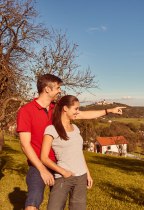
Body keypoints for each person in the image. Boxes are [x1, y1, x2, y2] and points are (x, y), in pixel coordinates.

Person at [16, 74, 125, 210]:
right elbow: (25, 145)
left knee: (57, 205)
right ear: (47, 89)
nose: (60, 91)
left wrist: (109, 110)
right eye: (57, 87)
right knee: (33, 202)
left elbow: (84, 114)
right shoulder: (26, 111)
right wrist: (42, 169)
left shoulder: (58, 109)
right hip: (38, 165)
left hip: (61, 164)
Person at [41, 95, 92, 210]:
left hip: (81, 178)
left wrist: (87, 174)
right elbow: (44, 158)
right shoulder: (51, 129)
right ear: (65, 108)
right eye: (76, 109)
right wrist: (63, 172)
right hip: (63, 177)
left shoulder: (75, 128)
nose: (78, 112)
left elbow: (79, 153)